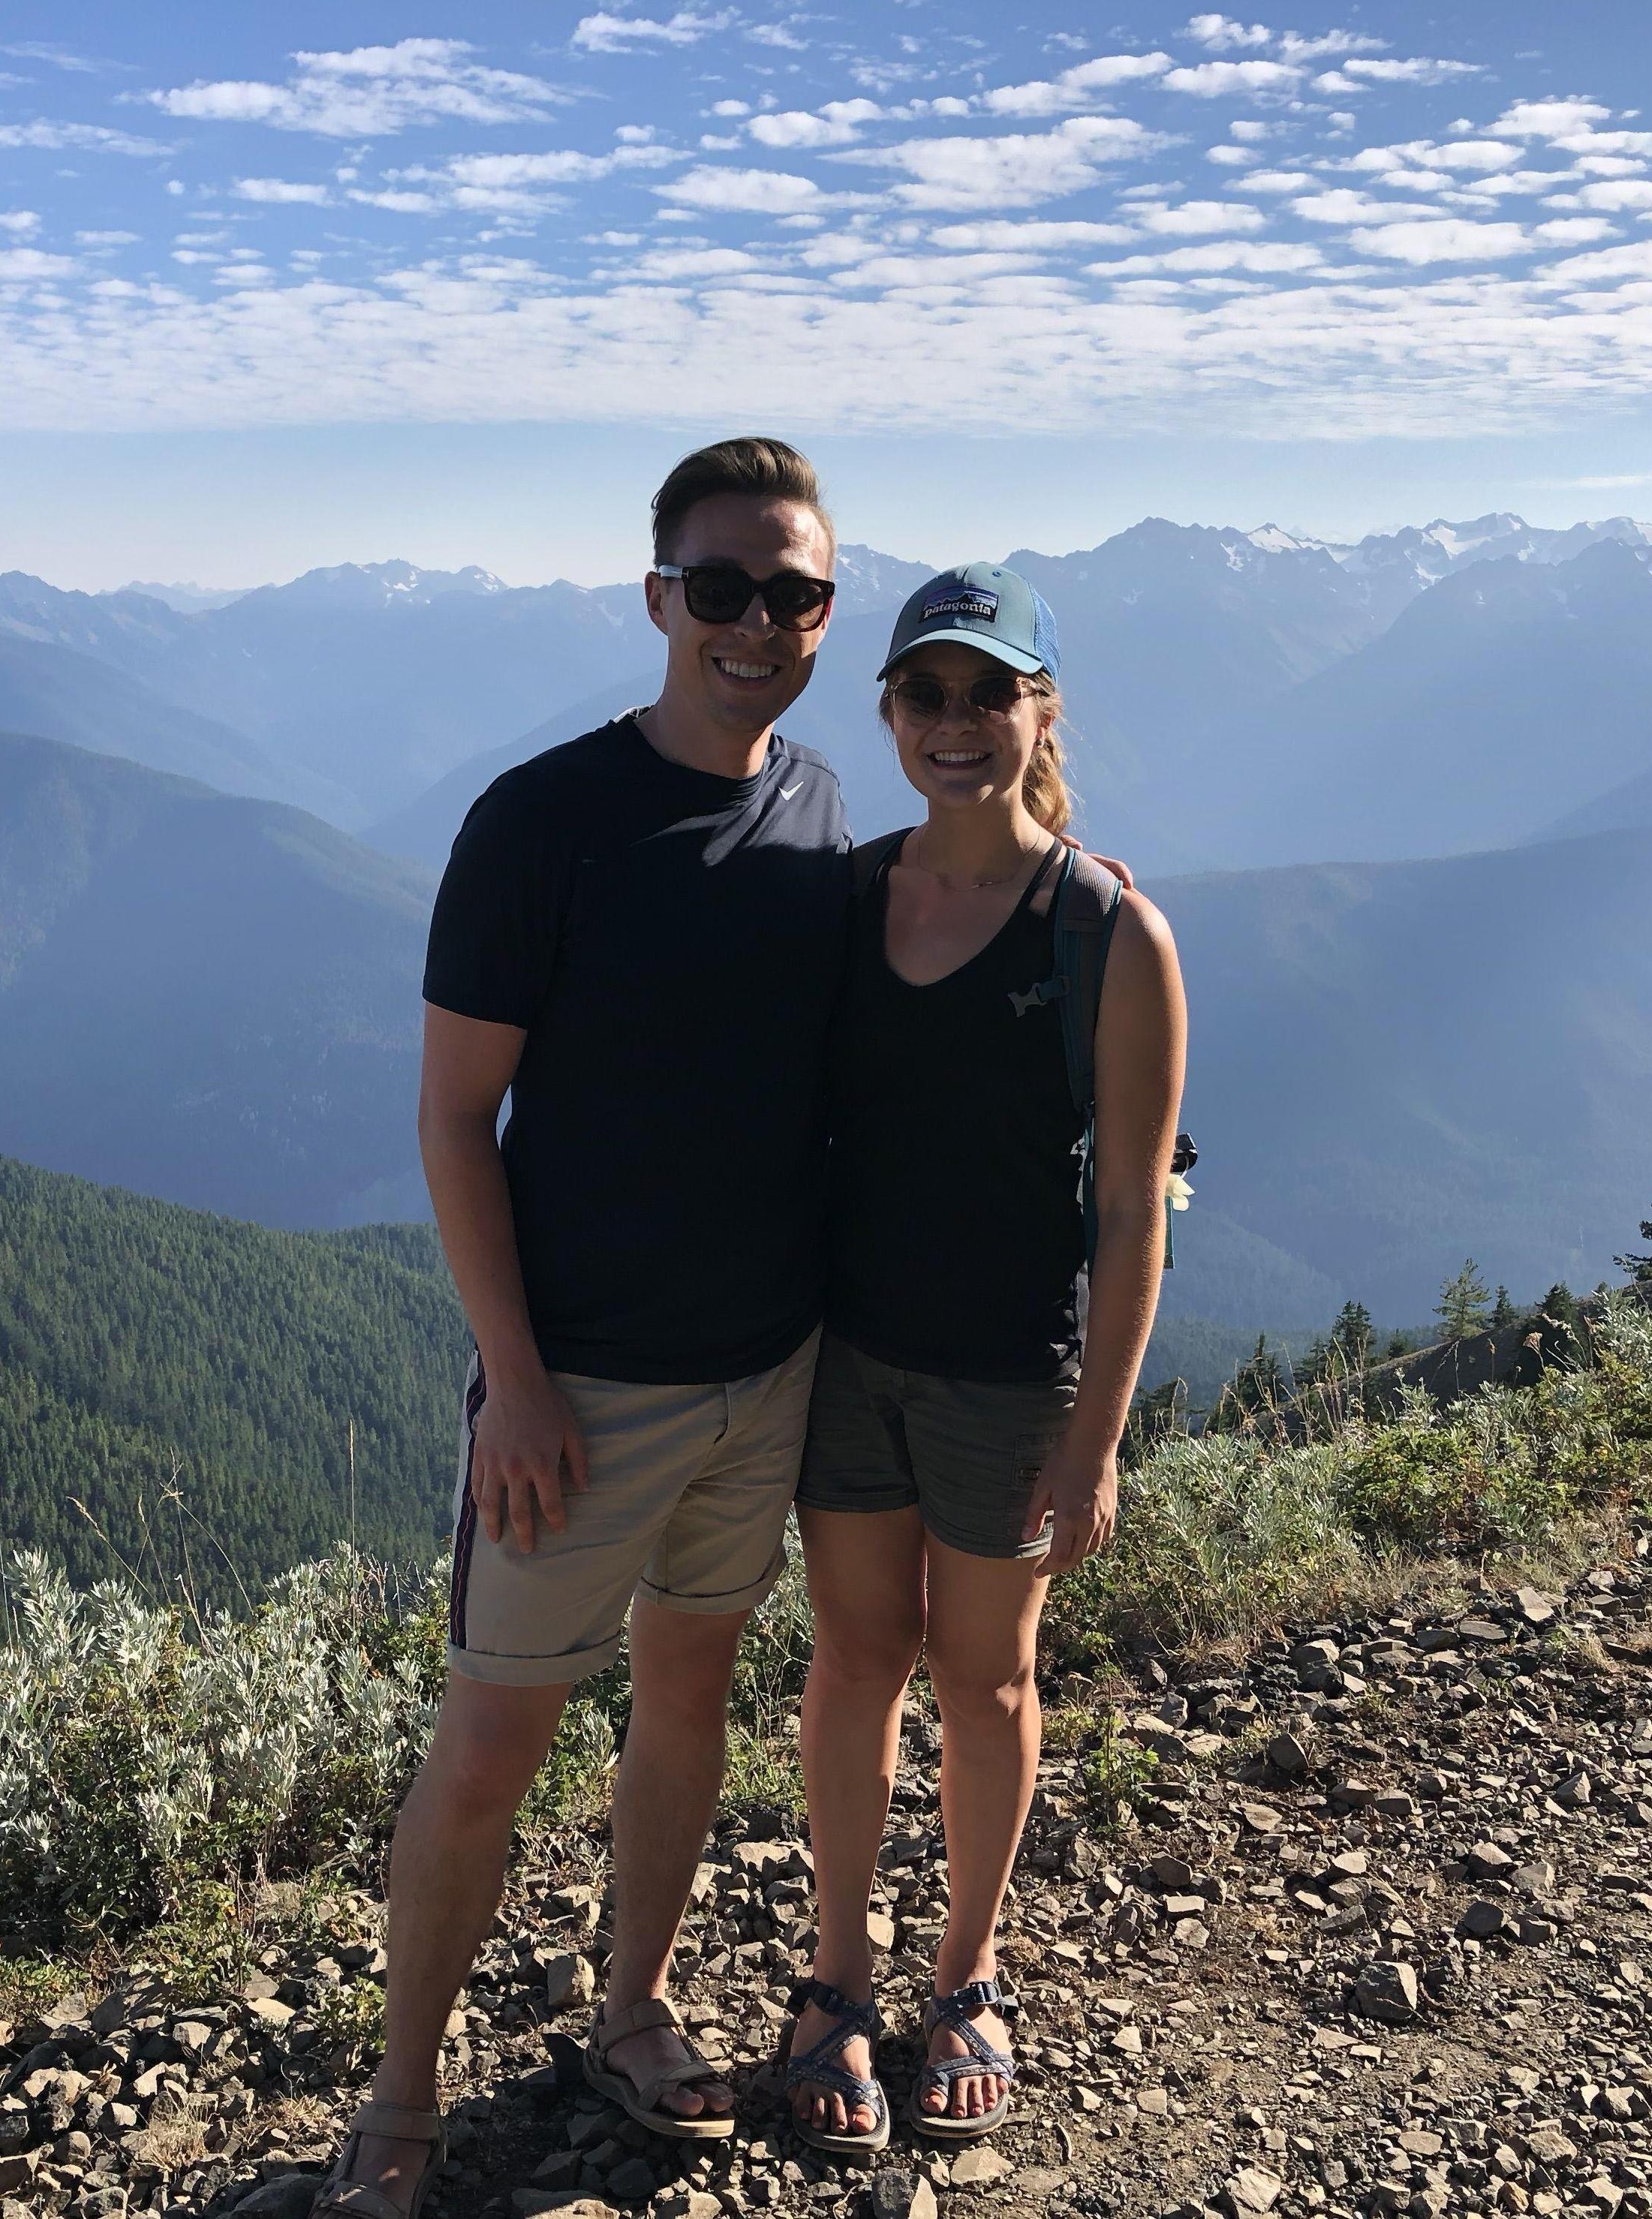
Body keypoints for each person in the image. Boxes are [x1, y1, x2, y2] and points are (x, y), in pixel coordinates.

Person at [311, 438, 853, 2219]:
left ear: (822, 613)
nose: (753, 621)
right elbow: (452, 1120)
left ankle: (631, 2008)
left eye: (790, 592)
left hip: (763, 1367)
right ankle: (398, 2102)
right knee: (491, 1734)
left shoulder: (823, 806)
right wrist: (518, 1380)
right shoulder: (539, 820)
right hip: (587, 1385)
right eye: (720, 587)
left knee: (687, 1692)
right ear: (658, 600)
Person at [779, 565, 1187, 2152]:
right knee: (852, 1659)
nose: (954, 724)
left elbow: (1135, 1223)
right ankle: (835, 1980)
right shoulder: (847, 894)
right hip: (846, 1358)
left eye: (986, 691)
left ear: (1040, 709)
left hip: (1011, 1376)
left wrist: (1094, 1441)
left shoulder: (1107, 932)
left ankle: (961, 1979)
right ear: (886, 712)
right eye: (924, 694)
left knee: (987, 1670)